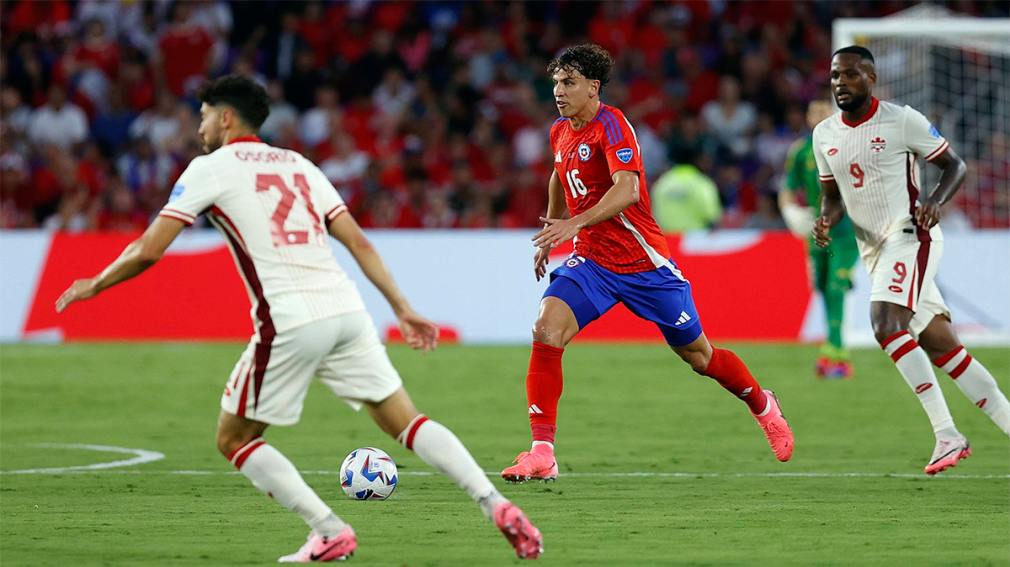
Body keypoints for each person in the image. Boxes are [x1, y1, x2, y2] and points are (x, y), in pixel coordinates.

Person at [55, 75, 542, 562]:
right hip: (347, 310)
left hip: (289, 318)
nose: (198, 124)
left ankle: (328, 529)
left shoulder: (209, 168)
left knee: (234, 438)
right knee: (407, 422)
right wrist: (402, 308)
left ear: (226, 117)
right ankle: (494, 502)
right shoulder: (299, 165)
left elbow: (149, 249)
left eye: (203, 114)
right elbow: (359, 242)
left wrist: (94, 283)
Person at [500, 44, 794, 483]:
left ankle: (761, 404)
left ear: (593, 88)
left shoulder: (613, 125)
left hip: (644, 264)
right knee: (546, 330)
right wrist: (555, 226)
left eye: (569, 83)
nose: (559, 91)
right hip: (593, 261)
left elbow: (628, 190)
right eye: (557, 83)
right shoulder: (561, 130)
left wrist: (573, 221)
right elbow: (559, 174)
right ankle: (543, 452)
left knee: (699, 356)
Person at [812, 46, 1010, 475]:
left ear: (871, 78)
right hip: (873, 250)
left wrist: (936, 201)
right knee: (943, 347)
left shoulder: (902, 120)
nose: (840, 84)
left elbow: (954, 166)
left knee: (885, 324)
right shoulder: (824, 135)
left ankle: (946, 434)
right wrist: (825, 221)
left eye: (849, 75)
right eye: (834, 76)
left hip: (911, 236)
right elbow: (832, 196)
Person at [780, 100, 860, 378]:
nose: (819, 116)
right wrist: (790, 212)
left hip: (847, 231)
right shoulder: (801, 151)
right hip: (817, 229)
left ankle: (837, 351)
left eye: (824, 111)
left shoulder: (849, 147)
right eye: (814, 111)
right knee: (823, 287)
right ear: (807, 116)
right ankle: (831, 345)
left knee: (836, 286)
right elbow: (788, 188)